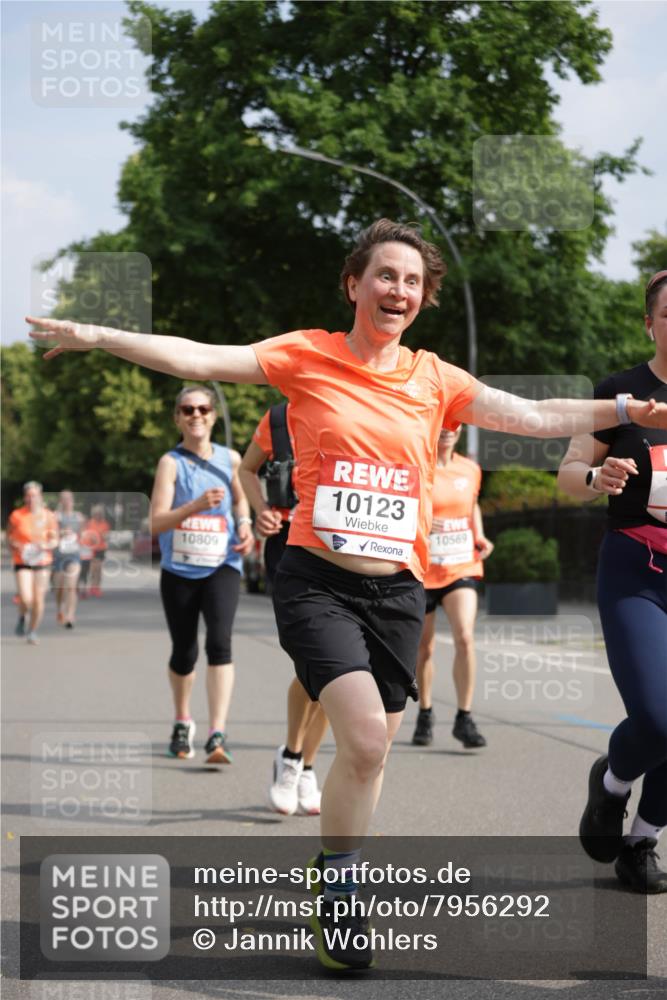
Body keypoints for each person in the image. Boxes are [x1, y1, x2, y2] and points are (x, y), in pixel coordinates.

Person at [26, 219, 667, 968]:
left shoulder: (436, 379)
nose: (397, 290)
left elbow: (528, 417)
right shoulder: (306, 356)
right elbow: (199, 356)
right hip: (316, 579)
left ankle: (337, 861)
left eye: (412, 282)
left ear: (423, 299)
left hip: (398, 586)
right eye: (384, 275)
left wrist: (626, 411)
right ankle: (339, 887)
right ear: (353, 284)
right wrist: (102, 336)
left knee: (374, 749)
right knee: (363, 735)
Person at [558, 269, 667, 894]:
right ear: (648, 322)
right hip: (637, 571)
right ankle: (612, 784)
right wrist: (597, 480)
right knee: (657, 719)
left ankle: (642, 840)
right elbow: (569, 473)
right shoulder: (620, 393)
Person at [150, 385, 254, 763]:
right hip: (179, 568)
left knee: (220, 643)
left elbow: (242, 499)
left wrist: (244, 525)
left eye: (203, 409)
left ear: (213, 416)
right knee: (184, 650)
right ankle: (182, 721)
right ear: (177, 417)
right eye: (188, 409)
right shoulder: (170, 463)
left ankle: (217, 733)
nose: (196, 415)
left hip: (222, 564)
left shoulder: (231, 459)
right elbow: (156, 522)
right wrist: (194, 506)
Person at [240, 402, 328, 816]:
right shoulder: (278, 419)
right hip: (290, 547)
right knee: (315, 659)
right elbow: (246, 469)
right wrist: (261, 511)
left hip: (345, 546)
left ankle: (305, 764)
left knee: (343, 669)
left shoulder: (359, 405)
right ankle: (292, 757)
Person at [412, 425, 493, 749]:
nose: (447, 430)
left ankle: (464, 717)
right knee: (425, 647)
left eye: (455, 425)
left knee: (465, 637)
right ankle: (425, 711)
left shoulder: (470, 469)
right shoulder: (419, 464)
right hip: (423, 567)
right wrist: (427, 522)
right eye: (441, 424)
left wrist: (480, 534)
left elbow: (471, 505)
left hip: (461, 562)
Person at [7, 481, 58, 645]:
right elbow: (9, 537)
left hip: (42, 560)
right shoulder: (17, 515)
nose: (31, 499)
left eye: (34, 495)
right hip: (22, 560)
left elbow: (55, 540)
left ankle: (33, 630)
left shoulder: (49, 516)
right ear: (24, 497)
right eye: (28, 496)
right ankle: (22, 617)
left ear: (40, 496)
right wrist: (16, 545)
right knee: (26, 597)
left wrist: (46, 545)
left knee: (38, 599)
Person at [53, 489, 84, 628]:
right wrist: (61, 532)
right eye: (64, 499)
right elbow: (49, 534)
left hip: (74, 556)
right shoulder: (55, 516)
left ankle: (70, 615)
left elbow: (84, 535)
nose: (67, 501)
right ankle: (60, 608)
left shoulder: (79, 517)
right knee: (59, 588)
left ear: (73, 501)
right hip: (58, 556)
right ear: (60, 501)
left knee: (71, 586)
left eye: (69, 499)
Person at [81, 504, 110, 597]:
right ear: (93, 514)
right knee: (93, 569)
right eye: (96, 514)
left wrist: (103, 536)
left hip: (101, 549)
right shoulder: (90, 523)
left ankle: (97, 587)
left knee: (98, 569)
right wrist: (91, 538)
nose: (98, 515)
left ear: (102, 514)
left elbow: (106, 536)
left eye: (99, 514)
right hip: (91, 549)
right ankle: (92, 587)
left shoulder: (105, 524)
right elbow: (85, 535)